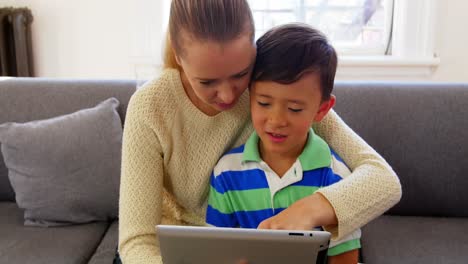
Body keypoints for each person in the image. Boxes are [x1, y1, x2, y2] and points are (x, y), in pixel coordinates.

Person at [118, 0, 402, 263]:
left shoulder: (270, 91)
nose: (229, 95)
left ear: (253, 51)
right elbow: (137, 241)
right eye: (207, 82)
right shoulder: (149, 107)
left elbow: (383, 180)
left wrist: (309, 209)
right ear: (178, 56)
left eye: (240, 74)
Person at [206, 23, 361, 263]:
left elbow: (345, 258)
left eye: (294, 108)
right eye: (264, 103)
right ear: (249, 96)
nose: (277, 120)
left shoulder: (337, 178)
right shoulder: (226, 173)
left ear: (322, 110)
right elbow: (215, 251)